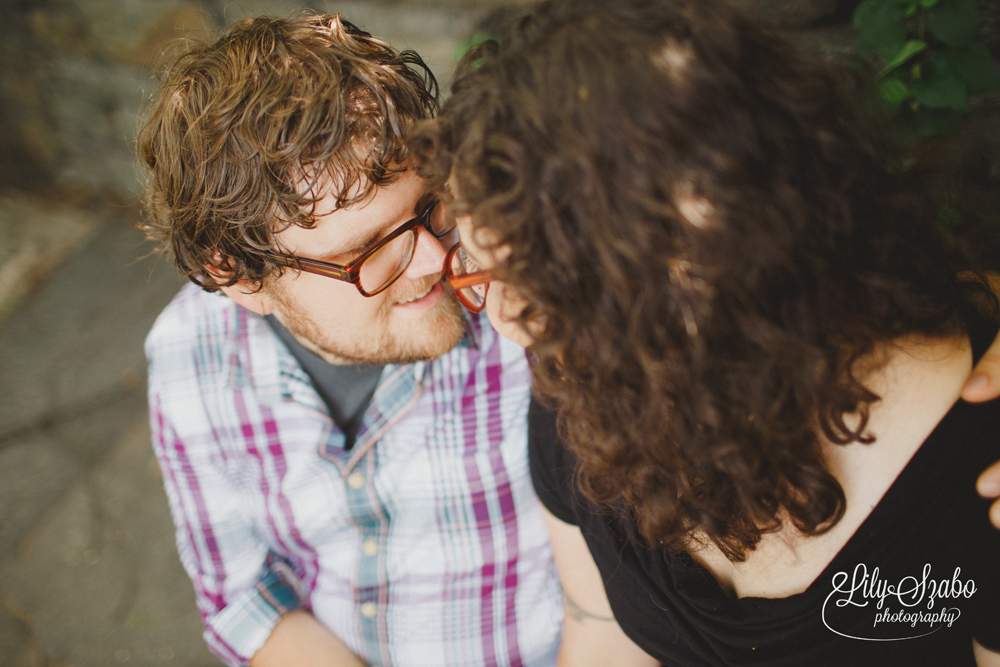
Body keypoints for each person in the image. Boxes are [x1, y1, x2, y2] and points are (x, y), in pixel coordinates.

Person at [415, 0, 1000, 664]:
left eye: (546, 274)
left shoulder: (977, 450)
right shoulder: (574, 386)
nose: (509, 321)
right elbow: (603, 632)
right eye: (480, 264)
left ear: (712, 241)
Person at [136, 13, 561, 667]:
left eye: (430, 207)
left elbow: (630, 598)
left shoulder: (523, 304)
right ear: (236, 273)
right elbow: (247, 601)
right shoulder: (188, 353)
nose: (432, 260)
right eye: (367, 250)